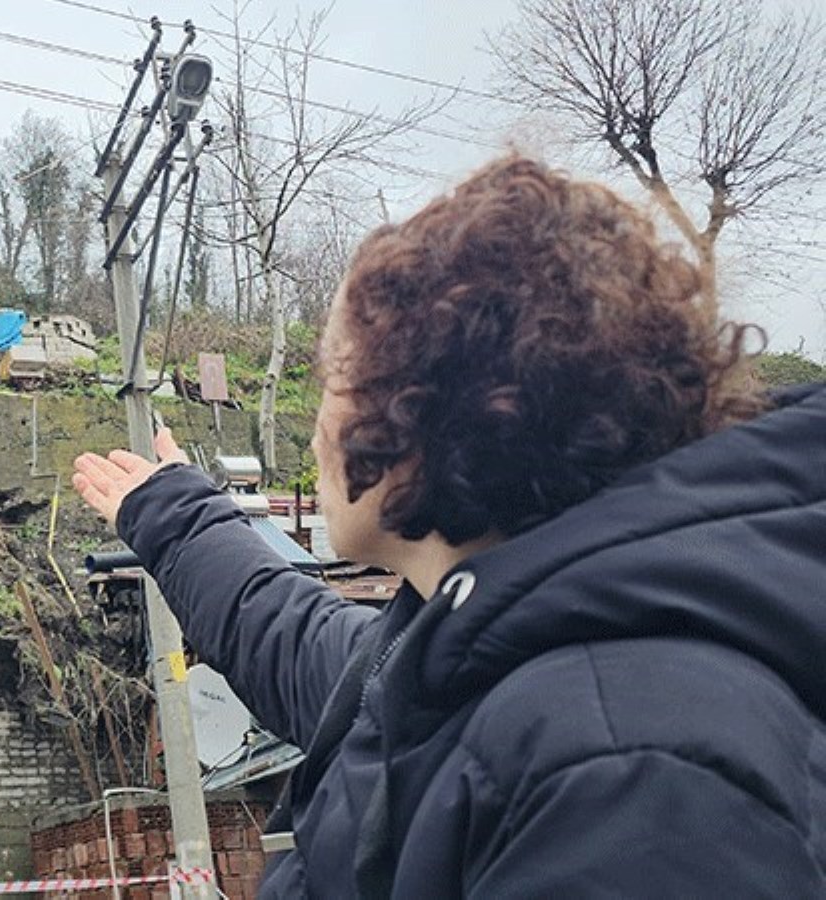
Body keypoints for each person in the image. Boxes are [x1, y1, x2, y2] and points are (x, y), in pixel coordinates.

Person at [72, 156, 826, 897]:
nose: (314, 434)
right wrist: (175, 514)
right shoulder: (485, 655)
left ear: (421, 408)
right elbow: (300, 643)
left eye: (335, 377)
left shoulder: (625, 770)